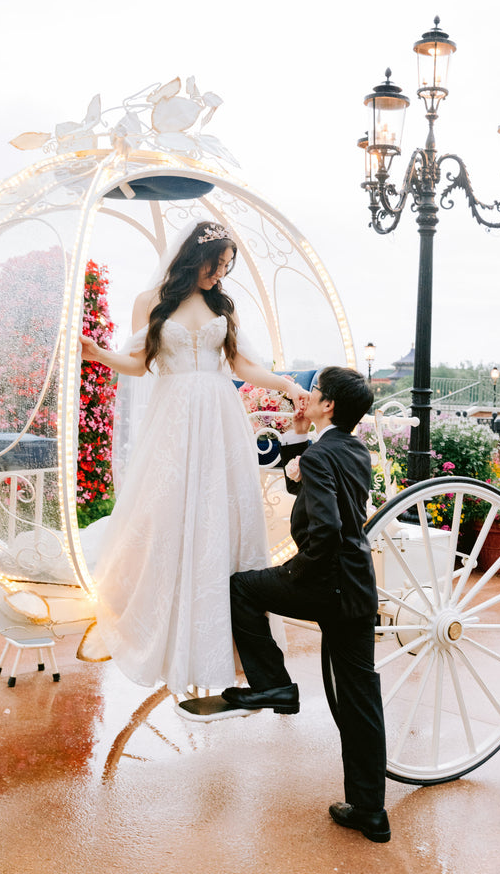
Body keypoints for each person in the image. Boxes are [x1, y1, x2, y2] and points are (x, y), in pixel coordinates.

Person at [79, 220, 308, 694]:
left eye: (226, 267)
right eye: (215, 264)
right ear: (193, 256)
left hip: (221, 417)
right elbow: (138, 364)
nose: (220, 274)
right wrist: (99, 354)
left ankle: (226, 640)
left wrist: (285, 384)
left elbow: (242, 365)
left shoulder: (222, 304)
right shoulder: (153, 301)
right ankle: (164, 630)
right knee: (169, 513)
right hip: (175, 420)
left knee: (220, 515)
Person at [219, 366, 390, 843]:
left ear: (329, 404)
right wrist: (298, 437)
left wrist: (296, 573)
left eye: (313, 392)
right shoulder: (352, 449)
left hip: (324, 582)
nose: (306, 396)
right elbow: (308, 485)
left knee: (242, 587)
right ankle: (370, 810)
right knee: (360, 699)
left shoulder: (322, 456)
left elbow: (328, 528)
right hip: (358, 587)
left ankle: (275, 686)